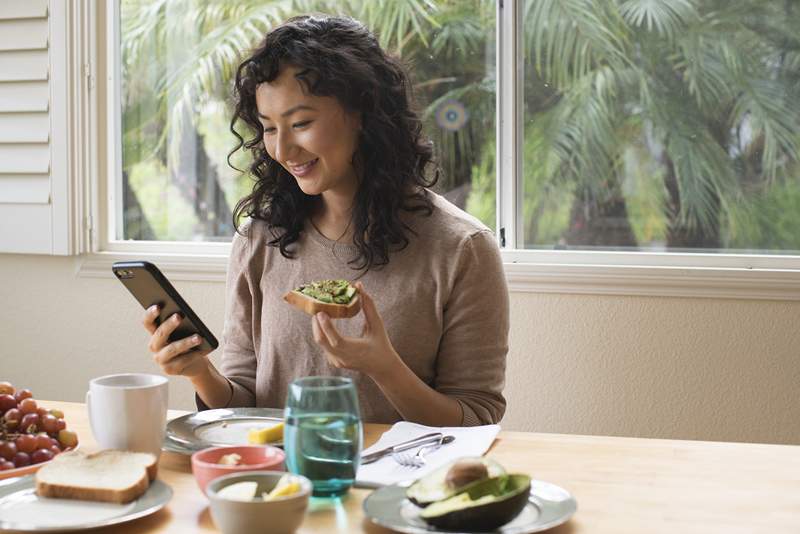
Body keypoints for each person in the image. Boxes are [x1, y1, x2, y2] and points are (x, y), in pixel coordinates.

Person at [142, 14, 509, 426]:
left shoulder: (462, 248)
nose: (282, 149)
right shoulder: (260, 239)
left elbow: (478, 417)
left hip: (399, 486)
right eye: (268, 128)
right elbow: (245, 404)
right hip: (282, 485)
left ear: (362, 113)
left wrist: (385, 368)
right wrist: (199, 372)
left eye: (301, 123)